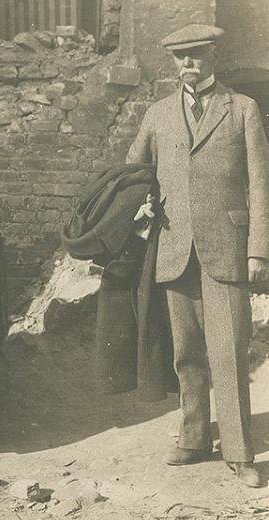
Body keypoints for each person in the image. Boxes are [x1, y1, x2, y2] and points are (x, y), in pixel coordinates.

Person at [127, 24, 269, 488]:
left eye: (196, 56)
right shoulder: (158, 113)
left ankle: (239, 452)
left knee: (228, 352)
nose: (188, 65)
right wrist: (141, 206)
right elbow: (133, 174)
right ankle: (192, 439)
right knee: (186, 353)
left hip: (227, 247)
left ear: (214, 56)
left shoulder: (243, 109)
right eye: (180, 58)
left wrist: (259, 250)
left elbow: (260, 184)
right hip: (174, 247)